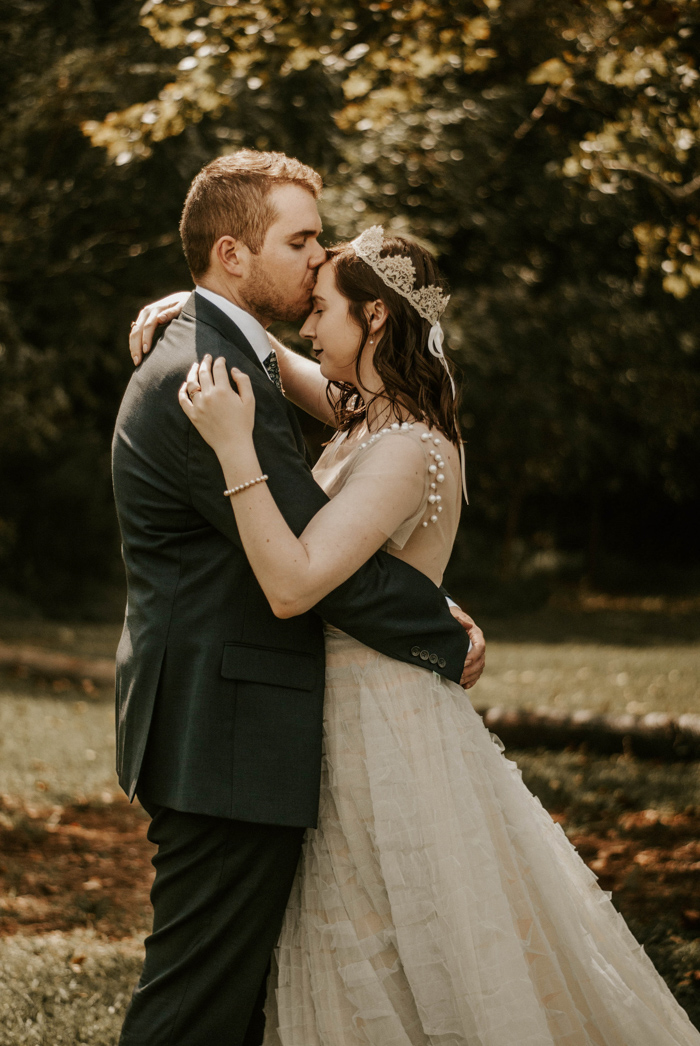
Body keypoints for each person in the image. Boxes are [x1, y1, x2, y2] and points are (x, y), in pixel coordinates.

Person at [172, 226, 700, 1045]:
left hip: (386, 727)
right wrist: (192, 307)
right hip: (344, 711)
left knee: (410, 938)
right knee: (363, 939)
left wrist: (235, 448)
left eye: (322, 310)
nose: (310, 327)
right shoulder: (367, 418)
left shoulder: (406, 446)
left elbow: (294, 585)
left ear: (375, 318)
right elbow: (276, 357)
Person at [113, 150, 484, 1046]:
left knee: (249, 999)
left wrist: (193, 305)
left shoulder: (234, 354)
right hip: (225, 732)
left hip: (241, 729)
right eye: (303, 240)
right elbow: (315, 562)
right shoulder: (210, 380)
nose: (319, 260)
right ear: (234, 255)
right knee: (199, 1004)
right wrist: (442, 624)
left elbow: (340, 476)